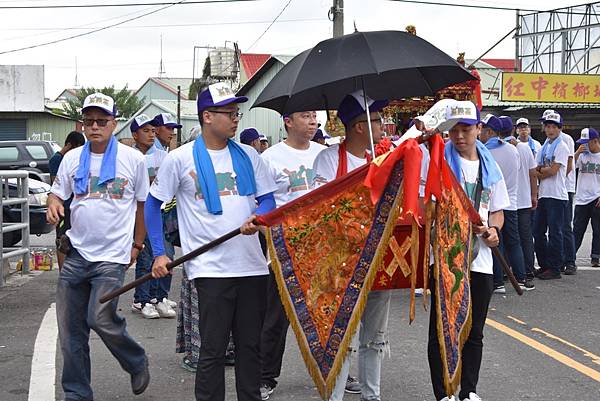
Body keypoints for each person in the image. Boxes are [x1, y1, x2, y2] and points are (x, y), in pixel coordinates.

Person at [147, 82, 277, 401]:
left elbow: (269, 201)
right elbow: (152, 205)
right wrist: (160, 254)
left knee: (250, 349)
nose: (236, 119)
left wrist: (258, 217)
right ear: (207, 116)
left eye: (237, 112)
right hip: (210, 269)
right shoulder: (179, 159)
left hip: (252, 268)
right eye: (229, 113)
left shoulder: (249, 156)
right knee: (213, 350)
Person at [46, 93, 150, 401]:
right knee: (70, 333)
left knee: (100, 318)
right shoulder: (72, 158)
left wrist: (138, 243)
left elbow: (143, 205)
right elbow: (57, 193)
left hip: (112, 257)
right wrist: (53, 204)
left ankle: (136, 360)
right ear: (82, 124)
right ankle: (77, 394)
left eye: (101, 121)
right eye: (89, 121)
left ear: (113, 124)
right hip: (76, 253)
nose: (94, 127)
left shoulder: (133, 160)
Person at [428, 101, 509, 401]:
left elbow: (498, 212)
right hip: (448, 259)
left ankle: (469, 391)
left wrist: (494, 230)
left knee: (475, 330)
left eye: (466, 129)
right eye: (454, 131)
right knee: (442, 329)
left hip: (481, 260)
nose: (459, 136)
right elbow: (430, 210)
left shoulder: (491, 166)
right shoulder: (439, 163)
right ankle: (444, 392)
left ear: (479, 129)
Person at [312, 90, 390, 401]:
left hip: (381, 261)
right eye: (377, 120)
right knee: (343, 337)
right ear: (360, 126)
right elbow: (321, 210)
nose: (383, 125)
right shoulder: (329, 159)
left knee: (375, 337)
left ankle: (373, 395)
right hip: (343, 263)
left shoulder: (386, 157)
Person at [258, 109, 325, 400]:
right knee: (276, 317)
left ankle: (335, 370)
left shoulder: (327, 155)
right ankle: (265, 377)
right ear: (288, 121)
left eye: (314, 117)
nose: (313, 122)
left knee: (328, 313)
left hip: (324, 247)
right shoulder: (270, 158)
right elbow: (262, 204)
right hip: (284, 248)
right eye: (305, 116)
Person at [127, 114, 176, 319]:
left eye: (153, 130)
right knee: (147, 258)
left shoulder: (161, 156)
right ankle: (142, 300)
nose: (151, 134)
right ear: (135, 135)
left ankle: (159, 297)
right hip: (143, 213)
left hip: (164, 211)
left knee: (166, 255)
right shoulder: (130, 157)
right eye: (146, 131)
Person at [479, 114, 533, 292]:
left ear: (490, 131)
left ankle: (498, 281)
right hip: (512, 203)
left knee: (496, 243)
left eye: (483, 130)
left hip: (494, 204)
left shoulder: (484, 152)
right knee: (514, 242)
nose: (480, 134)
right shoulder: (513, 150)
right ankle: (522, 277)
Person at [533, 111, 571, 280]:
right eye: (547, 126)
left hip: (557, 196)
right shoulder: (544, 147)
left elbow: (554, 171)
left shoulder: (562, 146)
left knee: (555, 232)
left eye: (553, 127)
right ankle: (544, 264)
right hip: (544, 194)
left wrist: (542, 170)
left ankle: (555, 267)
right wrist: (542, 171)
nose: (549, 129)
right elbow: (536, 171)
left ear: (559, 128)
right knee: (538, 231)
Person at [49, 131, 86, 269]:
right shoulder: (57, 159)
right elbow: (56, 184)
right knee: (62, 239)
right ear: (69, 145)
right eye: (77, 147)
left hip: (72, 205)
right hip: (62, 206)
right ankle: (62, 271)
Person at [573, 128, 600, 268]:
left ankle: (596, 257)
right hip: (581, 198)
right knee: (577, 230)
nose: (584, 146)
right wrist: (577, 153)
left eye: (586, 143)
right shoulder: (582, 156)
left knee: (598, 230)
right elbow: (570, 167)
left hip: (597, 198)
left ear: (595, 141)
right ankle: (570, 257)